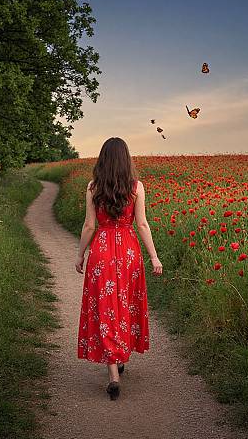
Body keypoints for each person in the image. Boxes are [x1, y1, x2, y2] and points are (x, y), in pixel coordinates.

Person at [75, 137, 163, 401]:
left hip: (102, 252)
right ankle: (119, 356)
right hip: (128, 252)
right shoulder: (136, 187)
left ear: (103, 158)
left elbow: (90, 226)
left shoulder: (93, 187)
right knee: (124, 306)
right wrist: (154, 257)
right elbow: (143, 225)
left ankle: (113, 371)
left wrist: (80, 254)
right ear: (126, 159)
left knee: (105, 307)